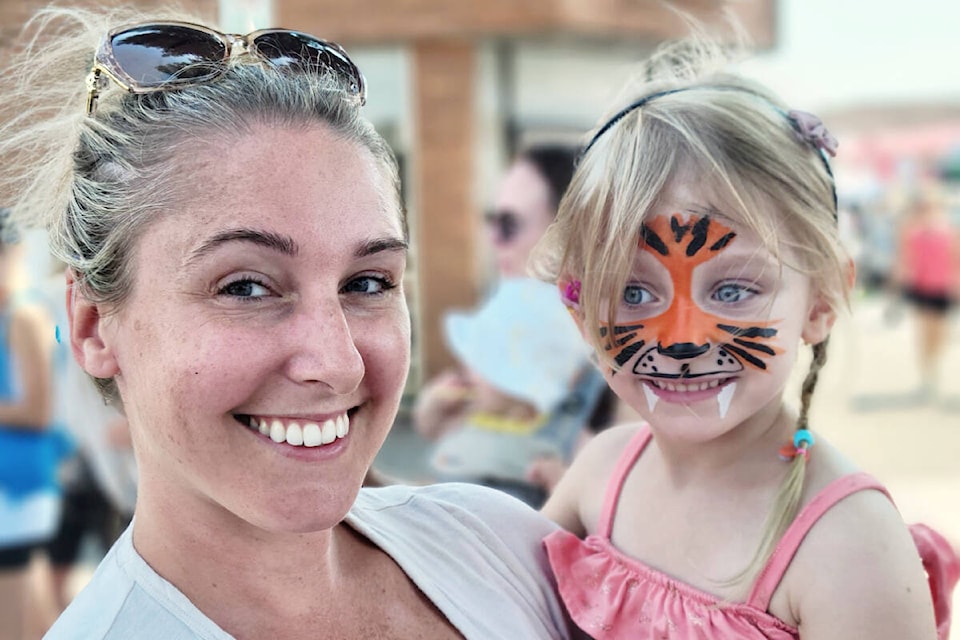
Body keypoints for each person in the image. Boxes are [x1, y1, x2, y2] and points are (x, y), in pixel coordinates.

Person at [0, 8, 577, 639]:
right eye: (245, 287)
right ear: (91, 326)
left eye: (368, 283)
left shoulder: (503, 546)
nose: (338, 363)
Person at [530, 39, 959, 639]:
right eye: (633, 293)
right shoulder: (600, 474)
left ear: (822, 301)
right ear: (580, 310)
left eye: (732, 291)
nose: (680, 337)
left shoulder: (848, 548)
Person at [413, 145, 616, 507]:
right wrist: (438, 424)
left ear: (569, 232)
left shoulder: (619, 364)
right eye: (492, 221)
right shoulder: (510, 317)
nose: (493, 238)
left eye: (508, 224)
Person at [0, 209, 66, 640]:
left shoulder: (25, 316)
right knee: (39, 621)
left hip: (22, 490)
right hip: (12, 489)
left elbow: (39, 411)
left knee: (12, 624)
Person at [890, 185, 959, 402]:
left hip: (943, 288)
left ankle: (933, 368)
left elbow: (955, 260)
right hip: (922, 287)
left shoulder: (949, 231)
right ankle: (928, 376)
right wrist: (898, 282)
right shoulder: (911, 231)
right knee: (925, 331)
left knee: (940, 334)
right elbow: (904, 259)